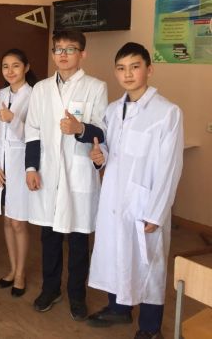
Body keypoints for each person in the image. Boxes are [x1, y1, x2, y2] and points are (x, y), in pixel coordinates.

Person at [86, 42, 183, 339]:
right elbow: (110, 150)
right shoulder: (113, 110)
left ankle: (150, 328)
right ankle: (119, 309)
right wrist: (100, 156)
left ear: (149, 70)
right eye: (121, 68)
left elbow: (170, 167)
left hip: (144, 204)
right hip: (114, 198)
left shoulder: (167, 113)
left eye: (135, 67)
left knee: (149, 265)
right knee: (116, 254)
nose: (127, 74)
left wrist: (157, 211)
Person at [24, 29, 107, 320]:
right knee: (49, 237)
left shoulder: (95, 87)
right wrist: (31, 168)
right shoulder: (41, 88)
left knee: (78, 240)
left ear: (82, 54)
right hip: (47, 173)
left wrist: (80, 129)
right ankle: (50, 289)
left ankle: (77, 295)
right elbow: (32, 130)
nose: (63, 54)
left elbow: (102, 131)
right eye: (58, 49)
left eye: (70, 49)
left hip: (78, 173)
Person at [0, 49, 36, 297]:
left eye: (15, 66)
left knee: (19, 222)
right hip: (2, 166)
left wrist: (13, 119)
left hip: (21, 166)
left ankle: (21, 273)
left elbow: (35, 136)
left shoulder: (34, 95)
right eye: (5, 66)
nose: (10, 71)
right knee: (7, 221)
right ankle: (12, 268)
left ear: (26, 67)